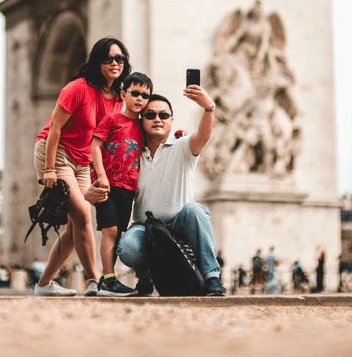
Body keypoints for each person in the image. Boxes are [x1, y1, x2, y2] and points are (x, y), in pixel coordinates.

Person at [90, 86, 226, 296]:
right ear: (141, 121)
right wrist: (88, 194)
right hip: (146, 227)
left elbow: (205, 135)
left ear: (171, 121)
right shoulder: (131, 154)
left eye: (164, 115)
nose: (157, 119)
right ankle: (146, 276)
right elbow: (114, 185)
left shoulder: (183, 147)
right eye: (150, 115)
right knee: (128, 247)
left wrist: (208, 107)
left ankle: (212, 278)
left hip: (181, 224)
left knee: (195, 211)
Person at [33, 38, 131, 297]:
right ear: (97, 61)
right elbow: (54, 128)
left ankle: (43, 285)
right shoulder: (77, 88)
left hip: (83, 162)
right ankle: (96, 282)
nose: (114, 63)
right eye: (108, 58)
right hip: (56, 154)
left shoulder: (118, 97)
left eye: (119, 58)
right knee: (84, 216)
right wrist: (49, 169)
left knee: (74, 224)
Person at [89, 71, 153, 296]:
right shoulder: (112, 119)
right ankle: (107, 278)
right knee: (111, 230)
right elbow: (95, 146)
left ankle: (109, 279)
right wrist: (101, 175)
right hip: (107, 186)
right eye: (134, 93)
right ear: (123, 94)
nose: (139, 99)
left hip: (128, 189)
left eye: (145, 95)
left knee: (118, 233)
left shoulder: (143, 128)